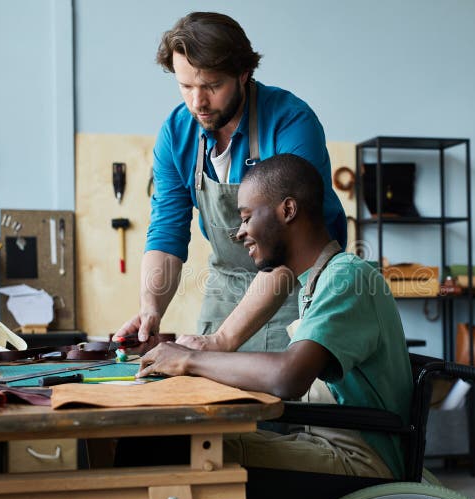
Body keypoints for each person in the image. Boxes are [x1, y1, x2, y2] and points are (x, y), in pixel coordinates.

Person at [135, 154, 413, 480]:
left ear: (288, 210)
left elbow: (288, 377)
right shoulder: (318, 280)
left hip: (361, 460)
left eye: (246, 217)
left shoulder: (345, 277)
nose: (239, 233)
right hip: (329, 444)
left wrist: (188, 360)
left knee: (176, 450)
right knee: (187, 441)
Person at [114, 12, 347, 353]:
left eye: (211, 86)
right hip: (226, 291)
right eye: (186, 86)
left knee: (288, 386)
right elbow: (166, 231)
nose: (198, 102)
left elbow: (292, 244)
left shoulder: (291, 122)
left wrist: (223, 341)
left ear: (243, 73)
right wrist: (151, 309)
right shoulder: (176, 133)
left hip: (300, 289)